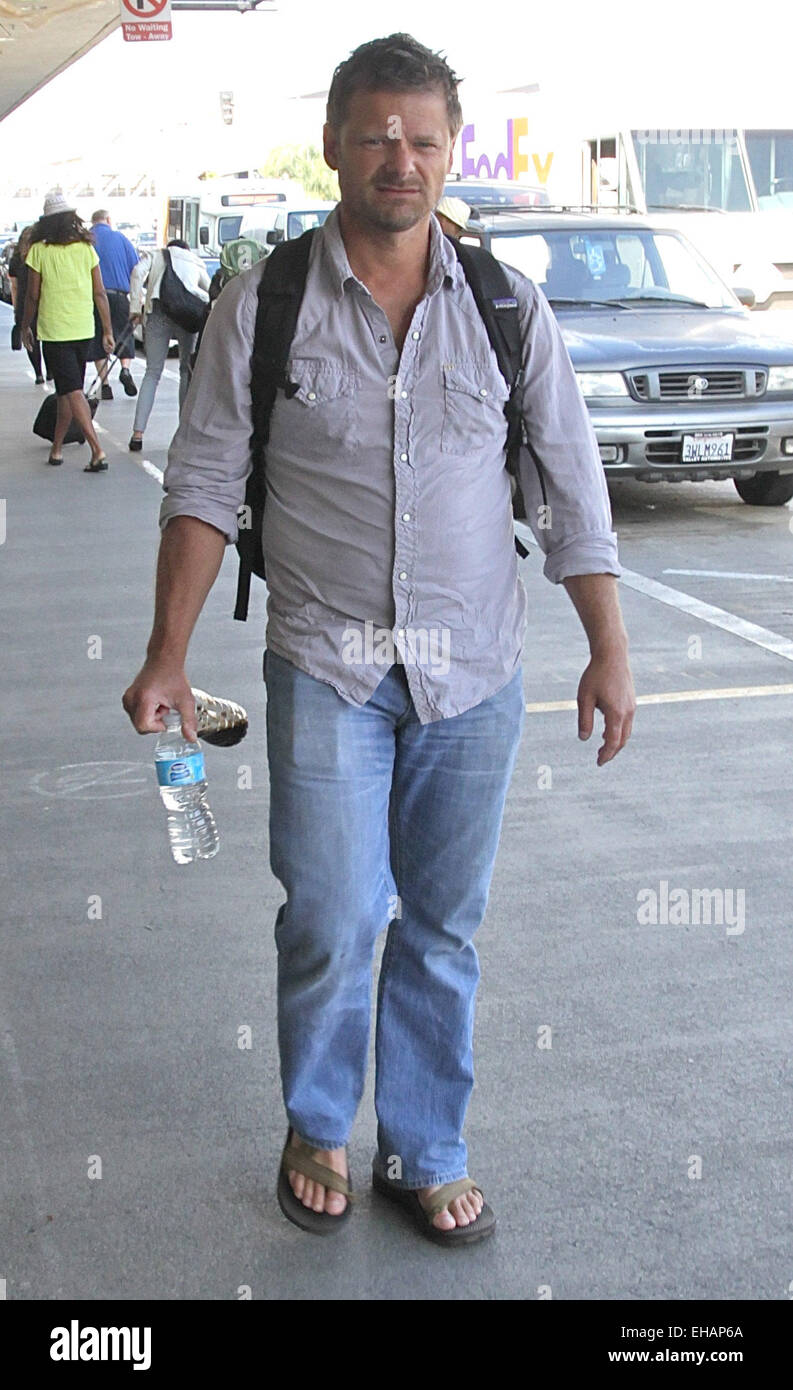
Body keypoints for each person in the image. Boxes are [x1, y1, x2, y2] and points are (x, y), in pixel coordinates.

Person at [122, 33, 636, 1245]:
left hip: (474, 671)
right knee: (333, 913)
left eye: (422, 139)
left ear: (448, 151)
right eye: (376, 137)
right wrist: (166, 653)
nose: (399, 160)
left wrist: (607, 646)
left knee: (443, 925)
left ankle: (422, 1146)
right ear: (334, 147)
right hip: (328, 666)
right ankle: (316, 1122)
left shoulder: (506, 307)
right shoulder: (267, 304)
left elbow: (568, 486)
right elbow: (204, 484)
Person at [22, 193, 114, 470]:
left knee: (72, 391)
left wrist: (25, 326)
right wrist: (107, 330)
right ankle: (57, 448)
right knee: (66, 391)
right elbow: (100, 293)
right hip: (83, 328)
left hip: (55, 331)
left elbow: (32, 296)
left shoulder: (39, 251)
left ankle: (97, 450)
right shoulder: (86, 249)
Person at [127, 238, 210, 453]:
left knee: (152, 372)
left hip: (158, 312)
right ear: (186, 249)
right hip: (187, 315)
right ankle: (183, 432)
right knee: (185, 371)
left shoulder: (156, 254)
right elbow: (210, 290)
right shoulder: (194, 260)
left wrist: (135, 307)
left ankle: (138, 434)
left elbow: (137, 272)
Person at [89, 209, 139, 400]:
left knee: (98, 338)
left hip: (95, 297)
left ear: (92, 222)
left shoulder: (87, 240)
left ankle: (105, 384)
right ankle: (125, 369)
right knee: (125, 334)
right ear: (108, 220)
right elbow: (136, 267)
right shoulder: (121, 238)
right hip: (119, 296)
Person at [9, 226, 47, 383]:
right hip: (44, 302)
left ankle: (38, 373)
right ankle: (51, 372)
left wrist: (16, 308)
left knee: (31, 339)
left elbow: (14, 286)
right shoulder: (42, 254)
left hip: (24, 304)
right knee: (48, 338)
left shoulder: (16, 259)